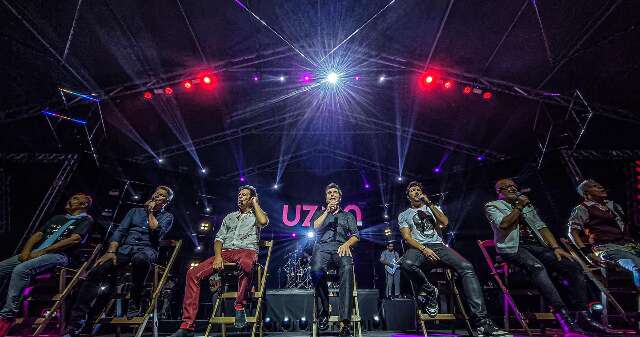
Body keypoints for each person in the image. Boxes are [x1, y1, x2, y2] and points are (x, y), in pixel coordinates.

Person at [485, 178, 614, 335]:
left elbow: (541, 227)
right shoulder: (493, 205)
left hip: (537, 246)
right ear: (499, 191)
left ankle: (583, 317)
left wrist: (556, 248)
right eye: (508, 187)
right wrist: (519, 206)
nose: (513, 189)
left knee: (571, 267)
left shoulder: (527, 205)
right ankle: (564, 320)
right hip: (513, 247)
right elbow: (504, 225)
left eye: (514, 186)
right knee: (536, 267)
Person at [400, 181, 510, 337]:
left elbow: (444, 222)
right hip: (418, 247)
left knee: (467, 267)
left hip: (438, 245)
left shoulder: (433, 207)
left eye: (419, 189)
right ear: (408, 195)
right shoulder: (404, 214)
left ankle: (483, 323)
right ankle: (430, 289)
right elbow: (407, 238)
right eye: (413, 190)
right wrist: (424, 249)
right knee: (407, 263)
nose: (417, 192)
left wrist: (429, 204)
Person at [62, 186, 174, 337]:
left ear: (166, 202)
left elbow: (156, 232)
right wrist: (110, 251)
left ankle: (135, 297)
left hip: (147, 249)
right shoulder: (134, 212)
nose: (156, 196)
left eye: (161, 196)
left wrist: (150, 212)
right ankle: (76, 322)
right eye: (156, 193)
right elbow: (120, 231)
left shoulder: (167, 216)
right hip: (124, 249)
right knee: (96, 271)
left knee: (140, 260)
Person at [170, 185, 268, 337]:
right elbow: (219, 239)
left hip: (247, 250)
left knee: (247, 264)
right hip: (226, 252)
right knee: (192, 274)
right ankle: (187, 325)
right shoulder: (229, 217)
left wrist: (255, 203)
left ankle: (239, 306)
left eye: (245, 195)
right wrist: (218, 256)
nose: (240, 197)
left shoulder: (256, 214)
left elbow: (263, 222)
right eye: (239, 194)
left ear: (252, 198)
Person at [0, 193, 94, 337]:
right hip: (36, 253)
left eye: (75, 198)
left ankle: (6, 317)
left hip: (60, 256)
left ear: (84, 204)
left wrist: (44, 251)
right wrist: (26, 251)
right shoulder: (58, 218)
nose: (70, 199)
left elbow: (74, 239)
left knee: (21, 269)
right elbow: (38, 235)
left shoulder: (86, 220)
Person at [568, 179, 640, 288]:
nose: (601, 187)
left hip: (629, 246)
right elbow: (572, 233)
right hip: (608, 248)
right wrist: (587, 253)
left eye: (600, 185)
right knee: (637, 265)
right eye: (595, 186)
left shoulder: (613, 205)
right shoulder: (582, 209)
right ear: (586, 194)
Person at [311, 183, 359, 337]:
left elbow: (356, 236)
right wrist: (327, 212)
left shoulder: (348, 215)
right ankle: (325, 310)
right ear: (326, 198)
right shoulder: (319, 213)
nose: (332, 195)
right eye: (329, 193)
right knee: (316, 270)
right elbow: (315, 228)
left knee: (347, 268)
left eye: (335, 193)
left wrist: (346, 244)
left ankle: (345, 322)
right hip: (322, 248)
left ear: (340, 197)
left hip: (341, 247)